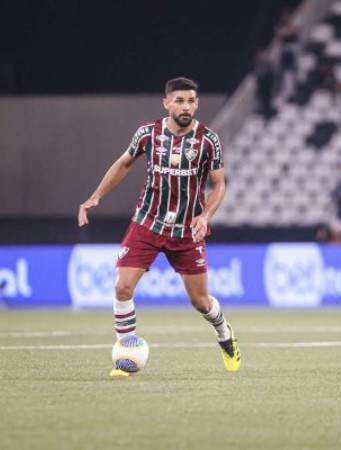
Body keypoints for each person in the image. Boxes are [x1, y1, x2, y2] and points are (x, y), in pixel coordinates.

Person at [78, 77, 241, 377]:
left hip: (187, 230)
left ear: (197, 103)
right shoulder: (148, 134)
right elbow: (123, 163)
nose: (186, 106)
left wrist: (205, 216)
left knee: (201, 302)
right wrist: (95, 196)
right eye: (179, 100)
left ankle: (223, 333)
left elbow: (218, 185)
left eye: (191, 100)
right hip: (147, 224)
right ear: (166, 103)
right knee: (122, 287)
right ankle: (127, 355)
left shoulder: (208, 140)